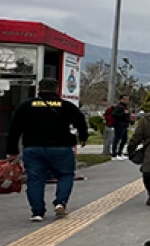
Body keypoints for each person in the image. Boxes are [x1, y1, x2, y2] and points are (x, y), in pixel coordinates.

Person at [6, 77, 89, 222]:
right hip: (61, 148)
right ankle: (60, 202)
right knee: (65, 175)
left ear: (39, 88)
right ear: (56, 89)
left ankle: (37, 212)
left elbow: (14, 129)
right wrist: (83, 137)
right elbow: (80, 122)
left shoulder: (26, 106)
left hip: (33, 148)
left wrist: (12, 150)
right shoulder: (65, 105)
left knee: (35, 179)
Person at [110, 94, 133, 159]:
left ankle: (120, 153)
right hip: (119, 125)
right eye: (125, 99)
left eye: (127, 99)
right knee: (117, 139)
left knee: (124, 140)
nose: (127, 101)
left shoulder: (125, 107)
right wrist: (124, 113)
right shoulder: (119, 106)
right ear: (121, 99)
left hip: (125, 125)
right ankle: (114, 154)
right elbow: (113, 114)